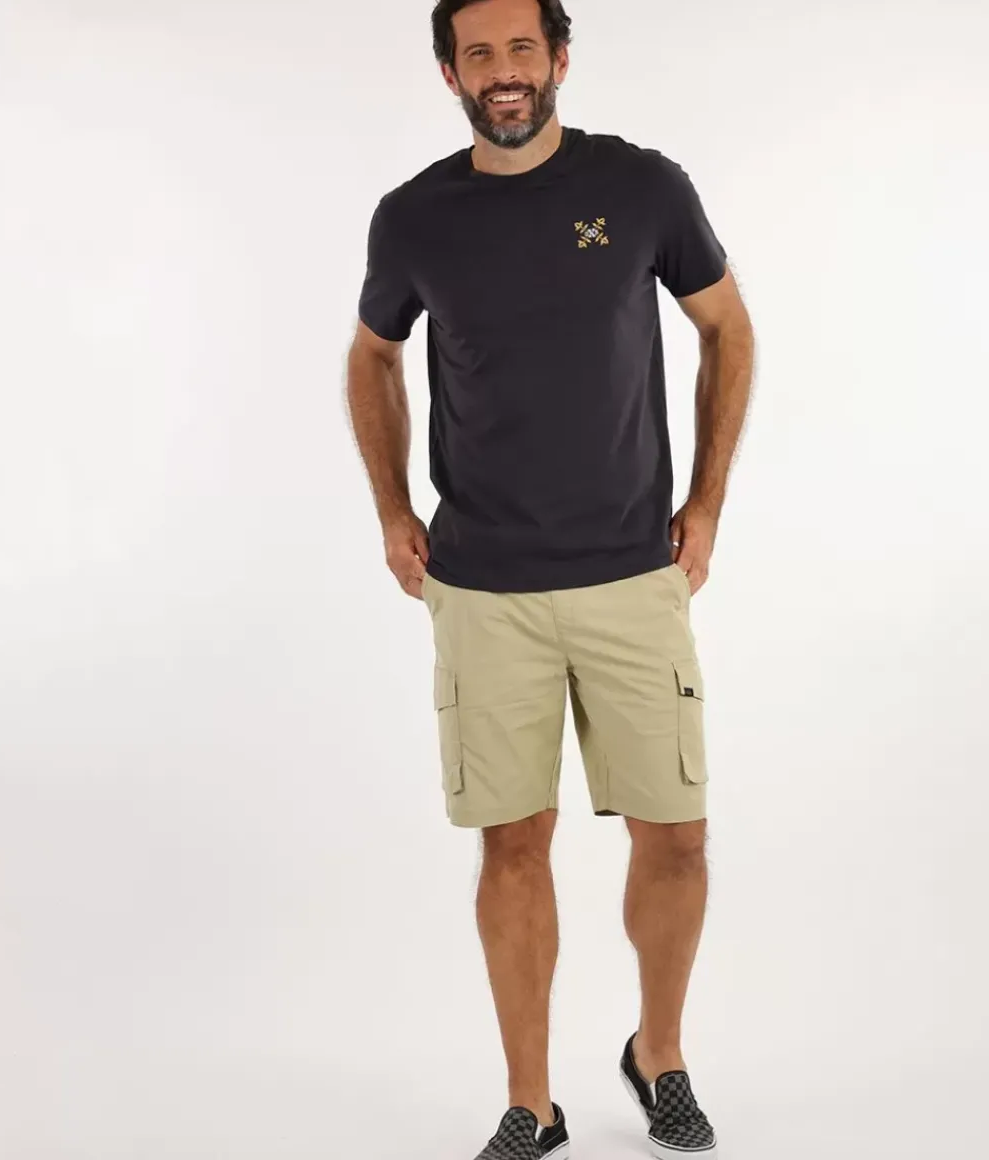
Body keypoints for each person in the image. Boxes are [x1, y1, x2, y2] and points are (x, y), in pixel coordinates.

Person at [346, 1, 754, 1156]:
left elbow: (727, 328)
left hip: (632, 575)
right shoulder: (414, 217)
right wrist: (391, 509)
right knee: (512, 845)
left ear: (559, 58)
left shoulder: (642, 188)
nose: (503, 72)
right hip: (483, 589)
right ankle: (531, 1102)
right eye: (477, 54)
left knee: (676, 836)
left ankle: (657, 1052)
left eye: (521, 49)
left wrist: (705, 504)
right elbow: (373, 354)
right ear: (449, 75)